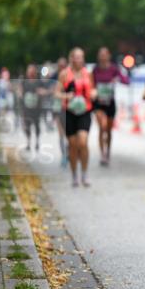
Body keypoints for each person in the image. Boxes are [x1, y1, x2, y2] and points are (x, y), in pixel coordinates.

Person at [55, 48, 94, 187]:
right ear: (71, 58)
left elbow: (93, 89)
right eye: (77, 57)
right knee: (72, 145)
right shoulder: (64, 74)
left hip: (85, 111)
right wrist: (66, 96)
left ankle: (84, 173)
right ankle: (74, 175)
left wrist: (94, 94)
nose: (79, 59)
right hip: (69, 112)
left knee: (82, 143)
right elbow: (57, 93)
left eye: (81, 57)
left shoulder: (88, 73)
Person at [92, 47, 130, 166]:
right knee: (102, 127)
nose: (103, 57)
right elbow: (91, 83)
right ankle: (102, 154)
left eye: (105, 54)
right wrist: (93, 90)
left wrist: (117, 79)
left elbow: (126, 81)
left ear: (108, 56)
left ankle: (107, 152)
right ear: (98, 56)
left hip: (110, 102)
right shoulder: (95, 69)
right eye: (101, 54)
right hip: (98, 102)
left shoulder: (114, 68)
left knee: (108, 130)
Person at [19, 64, 48, 151]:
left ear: (35, 72)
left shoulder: (39, 82)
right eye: (29, 71)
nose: (31, 73)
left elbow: (45, 91)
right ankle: (28, 142)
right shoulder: (24, 82)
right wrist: (20, 94)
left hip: (37, 108)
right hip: (26, 108)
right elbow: (20, 91)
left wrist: (41, 92)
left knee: (37, 126)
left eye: (32, 71)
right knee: (27, 126)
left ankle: (37, 142)